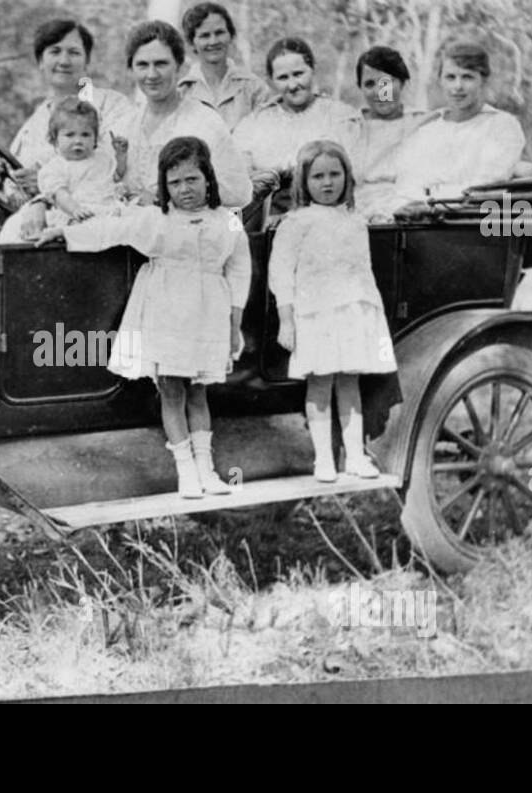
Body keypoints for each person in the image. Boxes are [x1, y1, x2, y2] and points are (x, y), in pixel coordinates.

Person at [36, 137, 250, 498]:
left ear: (208, 179)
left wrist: (234, 323)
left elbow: (240, 270)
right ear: (165, 187)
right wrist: (65, 231)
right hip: (166, 312)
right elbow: (109, 230)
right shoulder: (155, 219)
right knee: (171, 390)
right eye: (175, 182)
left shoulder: (227, 222)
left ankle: (207, 470)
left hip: (208, 315)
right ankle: (186, 473)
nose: (185, 189)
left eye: (192, 179)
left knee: (199, 393)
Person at [269, 140, 396, 482]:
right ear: (304, 183)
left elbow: (360, 271)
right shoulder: (296, 222)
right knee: (320, 385)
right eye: (318, 177)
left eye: (335, 175)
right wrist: (287, 319)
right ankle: (323, 459)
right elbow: (280, 272)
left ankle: (355, 456)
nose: (328, 183)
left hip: (353, 313)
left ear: (347, 177)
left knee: (349, 384)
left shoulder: (355, 220)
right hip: (315, 314)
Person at [116, 20, 252, 209]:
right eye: (142, 65)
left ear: (179, 66)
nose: (152, 74)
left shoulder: (204, 122)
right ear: (131, 69)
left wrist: (163, 199)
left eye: (161, 63)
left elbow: (238, 193)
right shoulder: (124, 125)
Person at [389, 40, 525, 206]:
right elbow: (406, 188)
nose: (458, 86)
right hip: (419, 222)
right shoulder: (427, 131)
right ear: (440, 80)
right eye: (450, 77)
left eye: (467, 77)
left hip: (469, 223)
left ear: (483, 80)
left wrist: (429, 197)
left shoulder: (501, 126)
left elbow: (484, 188)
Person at [233, 37, 361, 212]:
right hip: (271, 219)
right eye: (283, 78)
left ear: (313, 69)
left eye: (299, 74)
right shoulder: (254, 124)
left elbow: (355, 174)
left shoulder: (340, 117)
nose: (293, 85)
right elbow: (239, 178)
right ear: (270, 80)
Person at [8, 19, 138, 189]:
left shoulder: (113, 106)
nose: (64, 61)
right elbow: (12, 175)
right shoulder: (33, 124)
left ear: (87, 61)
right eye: (55, 52)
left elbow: (114, 169)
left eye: (74, 53)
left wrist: (47, 181)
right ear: (40, 61)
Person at [4, 99, 127, 241]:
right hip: (75, 210)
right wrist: (75, 209)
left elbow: (117, 175)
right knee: (79, 226)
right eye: (70, 135)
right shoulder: (56, 167)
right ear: (55, 140)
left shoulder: (101, 158)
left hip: (106, 207)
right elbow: (60, 195)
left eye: (85, 135)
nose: (78, 140)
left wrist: (121, 156)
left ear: (95, 139)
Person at [338, 46, 428, 218]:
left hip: (412, 220)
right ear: (360, 88)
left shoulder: (423, 124)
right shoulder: (347, 129)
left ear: (403, 83)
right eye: (370, 84)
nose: (381, 92)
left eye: (386, 82)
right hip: (360, 222)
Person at [176, 2, 272, 129]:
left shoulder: (254, 88)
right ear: (192, 43)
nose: (213, 41)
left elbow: (267, 136)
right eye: (205, 35)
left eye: (219, 32)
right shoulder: (182, 92)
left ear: (230, 35)